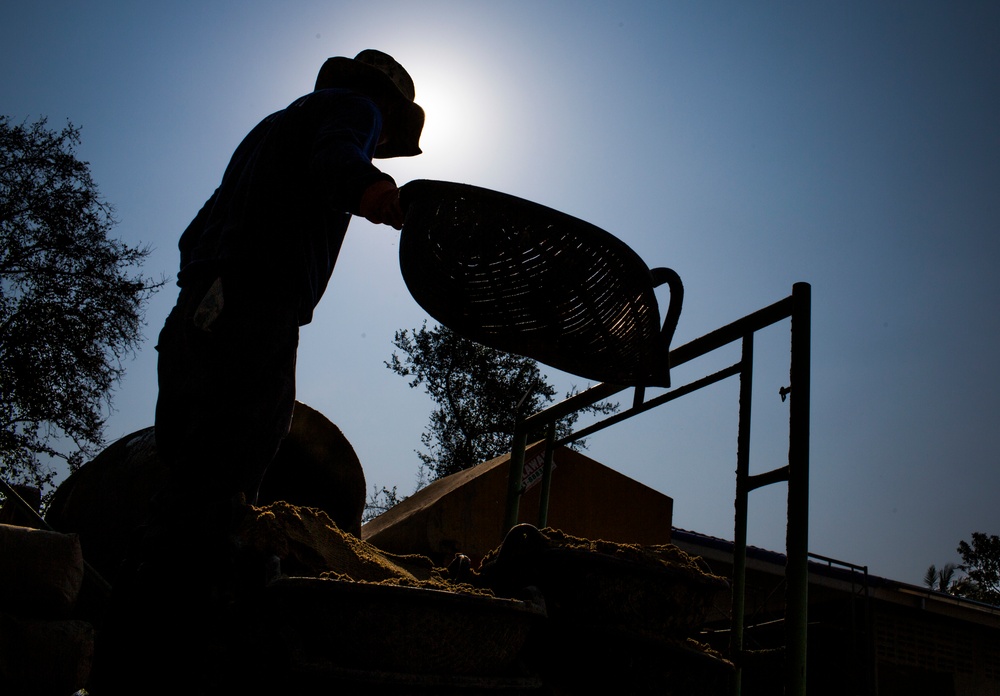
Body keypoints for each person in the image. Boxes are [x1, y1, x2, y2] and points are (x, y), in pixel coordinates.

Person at [97, 50, 424, 695]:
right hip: (257, 304)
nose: (382, 144)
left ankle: (123, 651)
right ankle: (179, 657)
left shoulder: (270, 129)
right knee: (229, 475)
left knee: (186, 479)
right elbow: (340, 163)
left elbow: (198, 230)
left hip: (196, 311)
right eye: (387, 139)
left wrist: (209, 295)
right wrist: (389, 202)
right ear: (383, 107)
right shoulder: (352, 110)